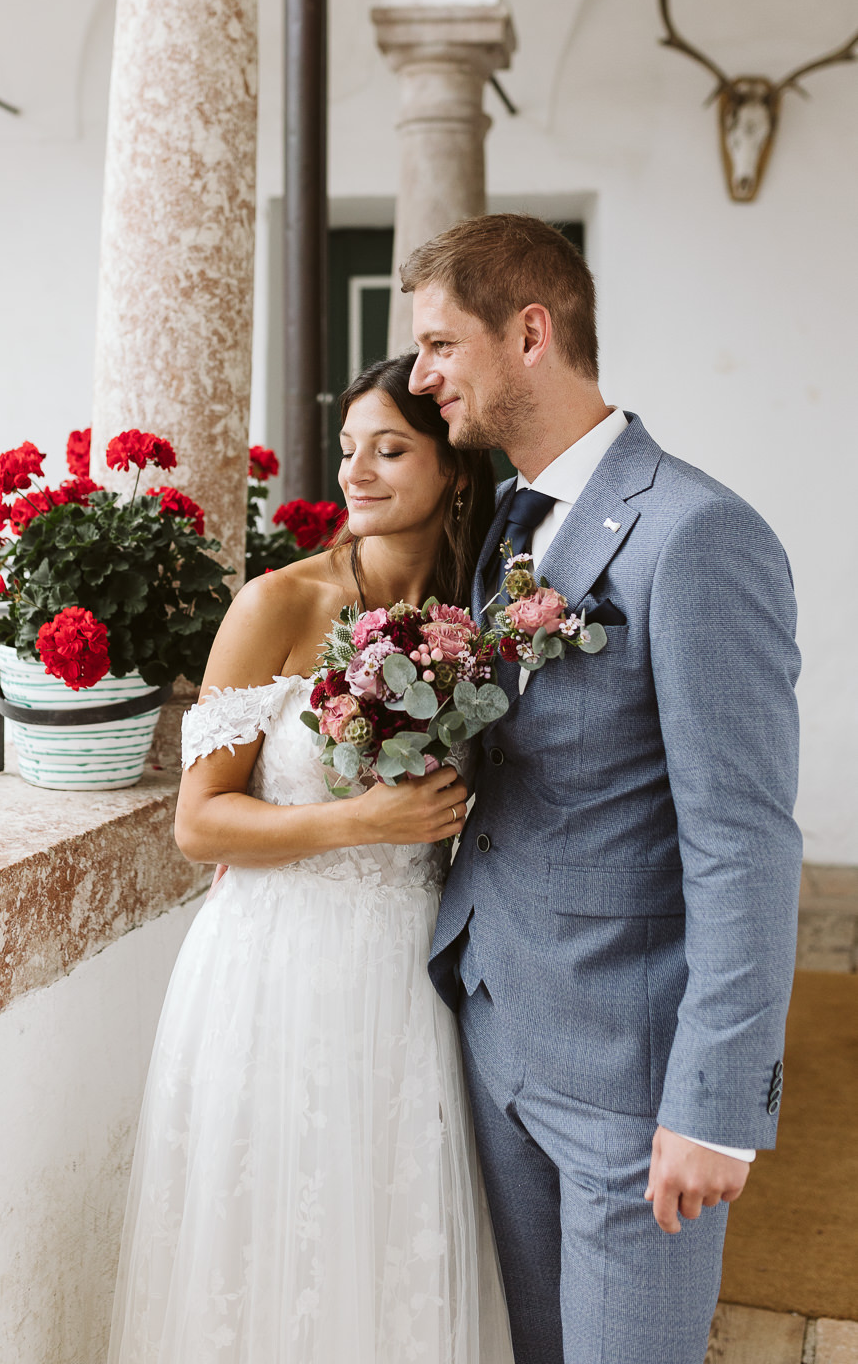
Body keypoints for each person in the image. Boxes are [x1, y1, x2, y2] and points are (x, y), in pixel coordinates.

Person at [404, 213, 802, 1364]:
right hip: (498, 1025)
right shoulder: (510, 520)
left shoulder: (699, 535)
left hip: (630, 1083)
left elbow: (741, 841)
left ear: (529, 331)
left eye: (439, 344)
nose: (421, 377)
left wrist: (715, 1104)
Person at [106, 355, 512, 1364]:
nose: (356, 473)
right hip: (271, 969)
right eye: (346, 450)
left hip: (410, 977)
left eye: (389, 449)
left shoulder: (480, 621)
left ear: (454, 470)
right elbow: (198, 824)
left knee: (388, 1230)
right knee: (269, 1239)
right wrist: (357, 823)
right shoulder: (277, 605)